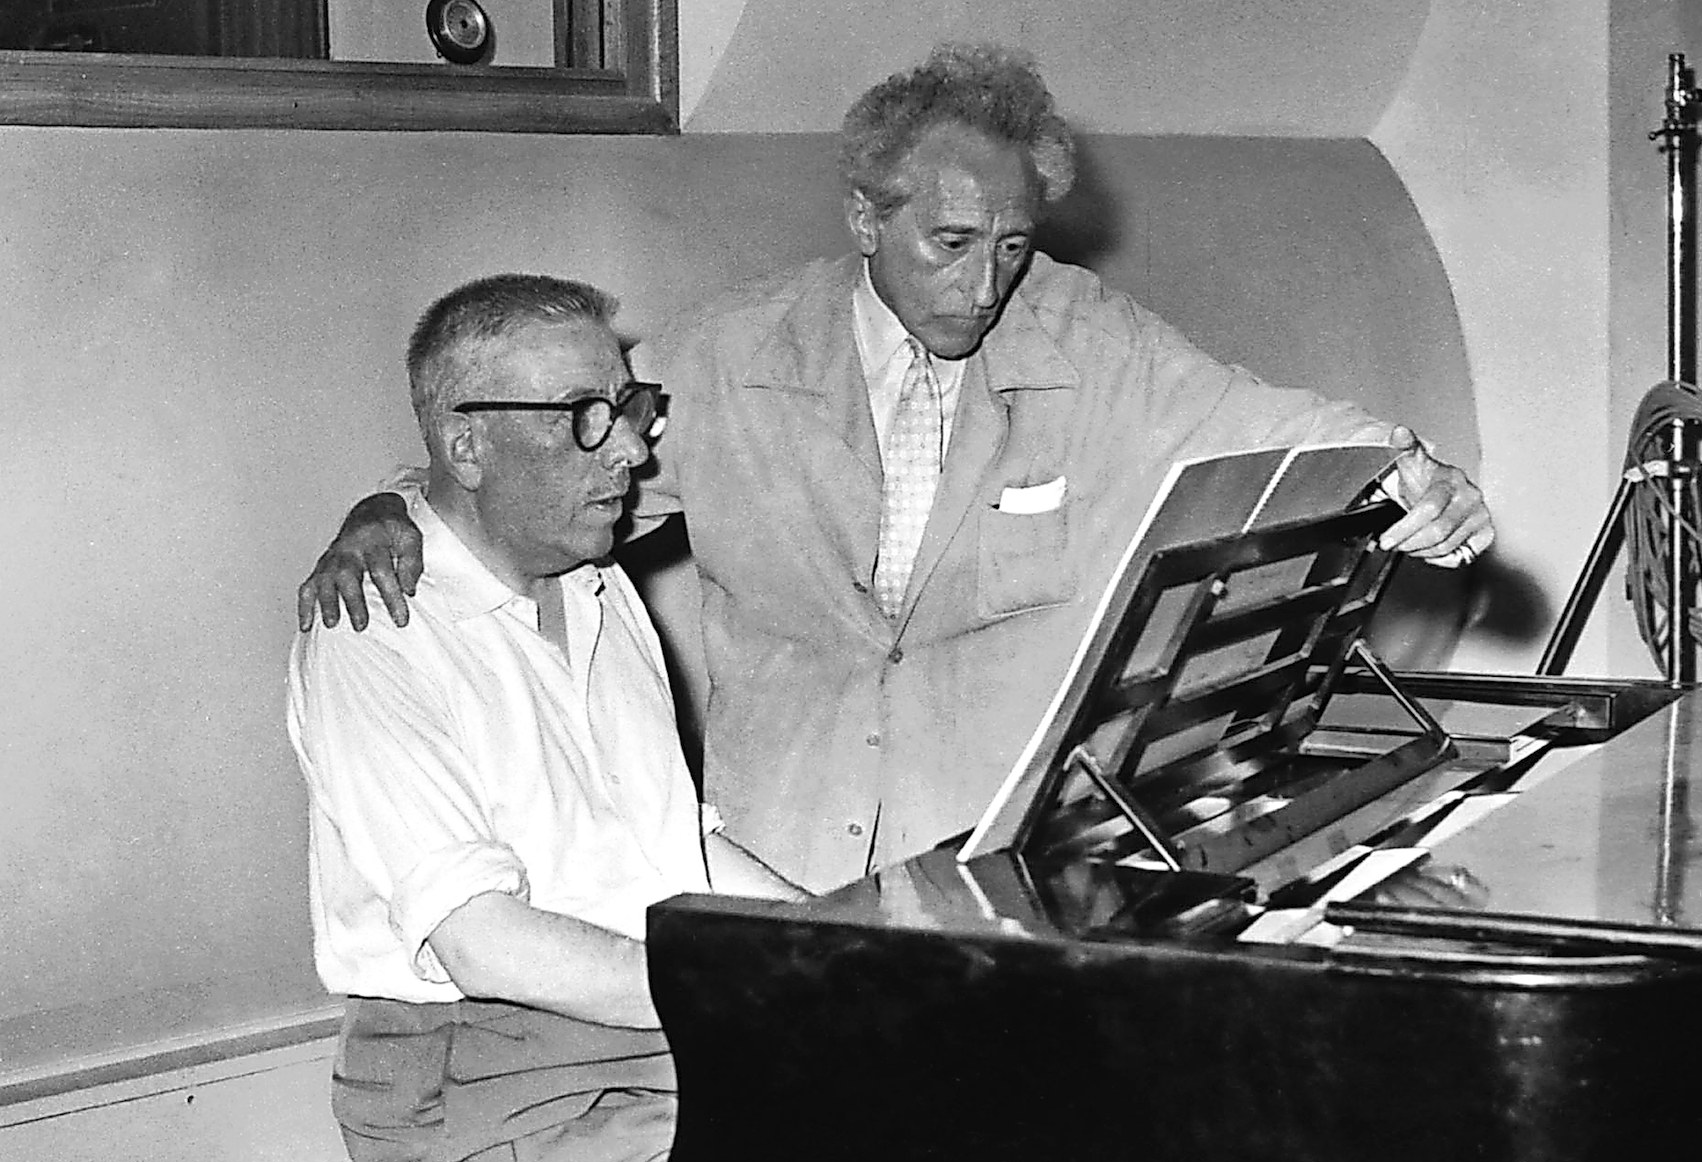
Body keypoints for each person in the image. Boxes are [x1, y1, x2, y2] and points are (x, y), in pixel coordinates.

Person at [298, 44, 1494, 894]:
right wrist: (386, 507)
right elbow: (534, 460)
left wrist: (1414, 471)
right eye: (952, 242)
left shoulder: (1093, 342)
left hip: (1004, 876)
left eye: (1013, 247)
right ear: (867, 219)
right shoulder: (726, 356)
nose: (984, 287)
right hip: (785, 880)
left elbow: (1275, 426)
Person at [287, 274, 795, 1162]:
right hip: (467, 1100)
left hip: (629, 1035)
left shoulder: (598, 583)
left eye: (632, 408)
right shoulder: (373, 628)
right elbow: (480, 939)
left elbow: (672, 838)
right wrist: (752, 996)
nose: (636, 449)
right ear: (467, 442)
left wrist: (849, 950)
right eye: (587, 417)